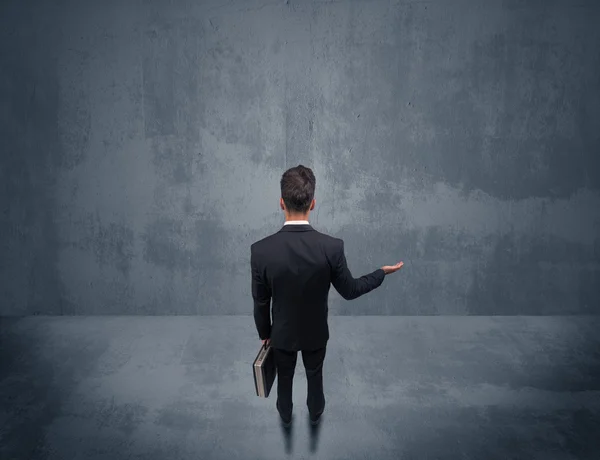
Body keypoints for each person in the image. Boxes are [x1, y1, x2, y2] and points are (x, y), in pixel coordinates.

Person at [251, 165, 404, 428]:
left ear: (281, 203)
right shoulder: (332, 248)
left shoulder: (261, 251)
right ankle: (315, 414)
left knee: (284, 378)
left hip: (282, 334)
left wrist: (265, 332)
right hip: (316, 333)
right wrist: (381, 273)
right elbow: (351, 290)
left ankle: (285, 415)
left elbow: (261, 301)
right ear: (312, 204)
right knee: (315, 375)